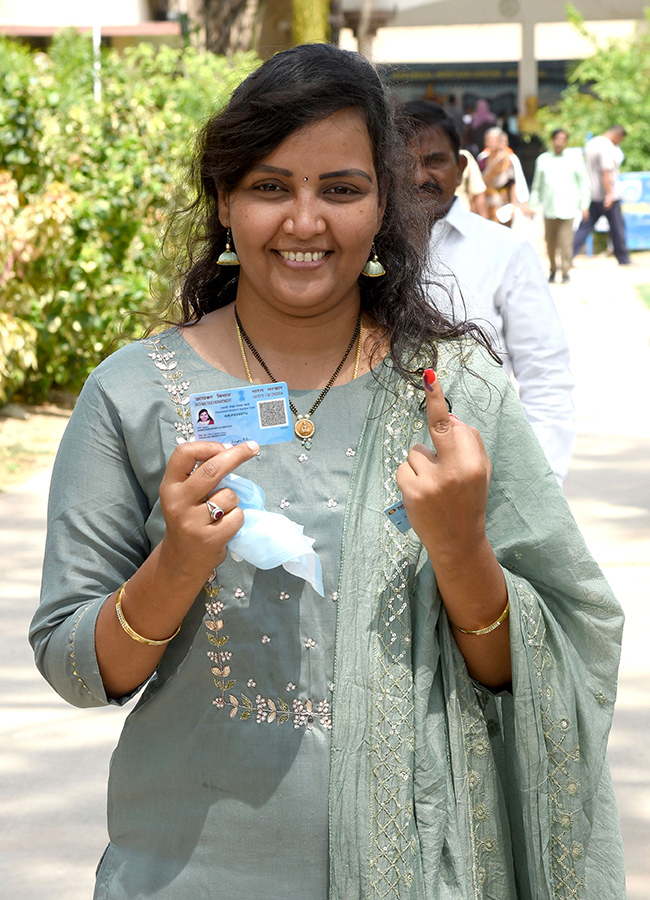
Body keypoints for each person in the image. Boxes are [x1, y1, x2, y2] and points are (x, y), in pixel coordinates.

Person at [30, 44, 625, 900]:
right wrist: (175, 567)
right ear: (225, 201)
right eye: (271, 186)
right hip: (184, 874)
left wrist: (462, 553)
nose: (304, 222)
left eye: (340, 189)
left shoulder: (453, 394)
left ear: (384, 208)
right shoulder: (132, 394)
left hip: (422, 876)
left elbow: (548, 664)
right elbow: (76, 667)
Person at [404, 99, 576, 483]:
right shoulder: (359, 251)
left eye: (434, 161)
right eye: (401, 163)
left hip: (488, 478)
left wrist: (540, 483)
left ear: (462, 167)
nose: (418, 176)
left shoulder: (505, 251)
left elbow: (544, 374)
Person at [530, 128, 590, 283]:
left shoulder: (575, 159)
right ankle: (552, 269)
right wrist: (533, 203)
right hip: (550, 208)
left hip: (568, 208)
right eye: (556, 138)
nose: (559, 142)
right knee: (550, 243)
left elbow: (584, 182)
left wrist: (584, 204)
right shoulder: (543, 159)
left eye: (562, 139)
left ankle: (565, 271)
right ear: (552, 140)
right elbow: (537, 185)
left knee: (565, 243)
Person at [573, 125, 631, 265]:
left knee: (584, 228)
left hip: (593, 194)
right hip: (608, 196)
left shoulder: (592, 143)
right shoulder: (607, 147)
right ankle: (623, 259)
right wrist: (610, 194)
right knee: (617, 228)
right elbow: (605, 171)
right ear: (618, 135)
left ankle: (568, 254)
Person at [477, 127, 531, 225]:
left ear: (500, 141)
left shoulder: (508, 159)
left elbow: (513, 183)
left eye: (494, 139)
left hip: (503, 202)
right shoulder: (482, 159)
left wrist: (515, 205)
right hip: (486, 203)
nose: (491, 142)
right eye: (489, 139)